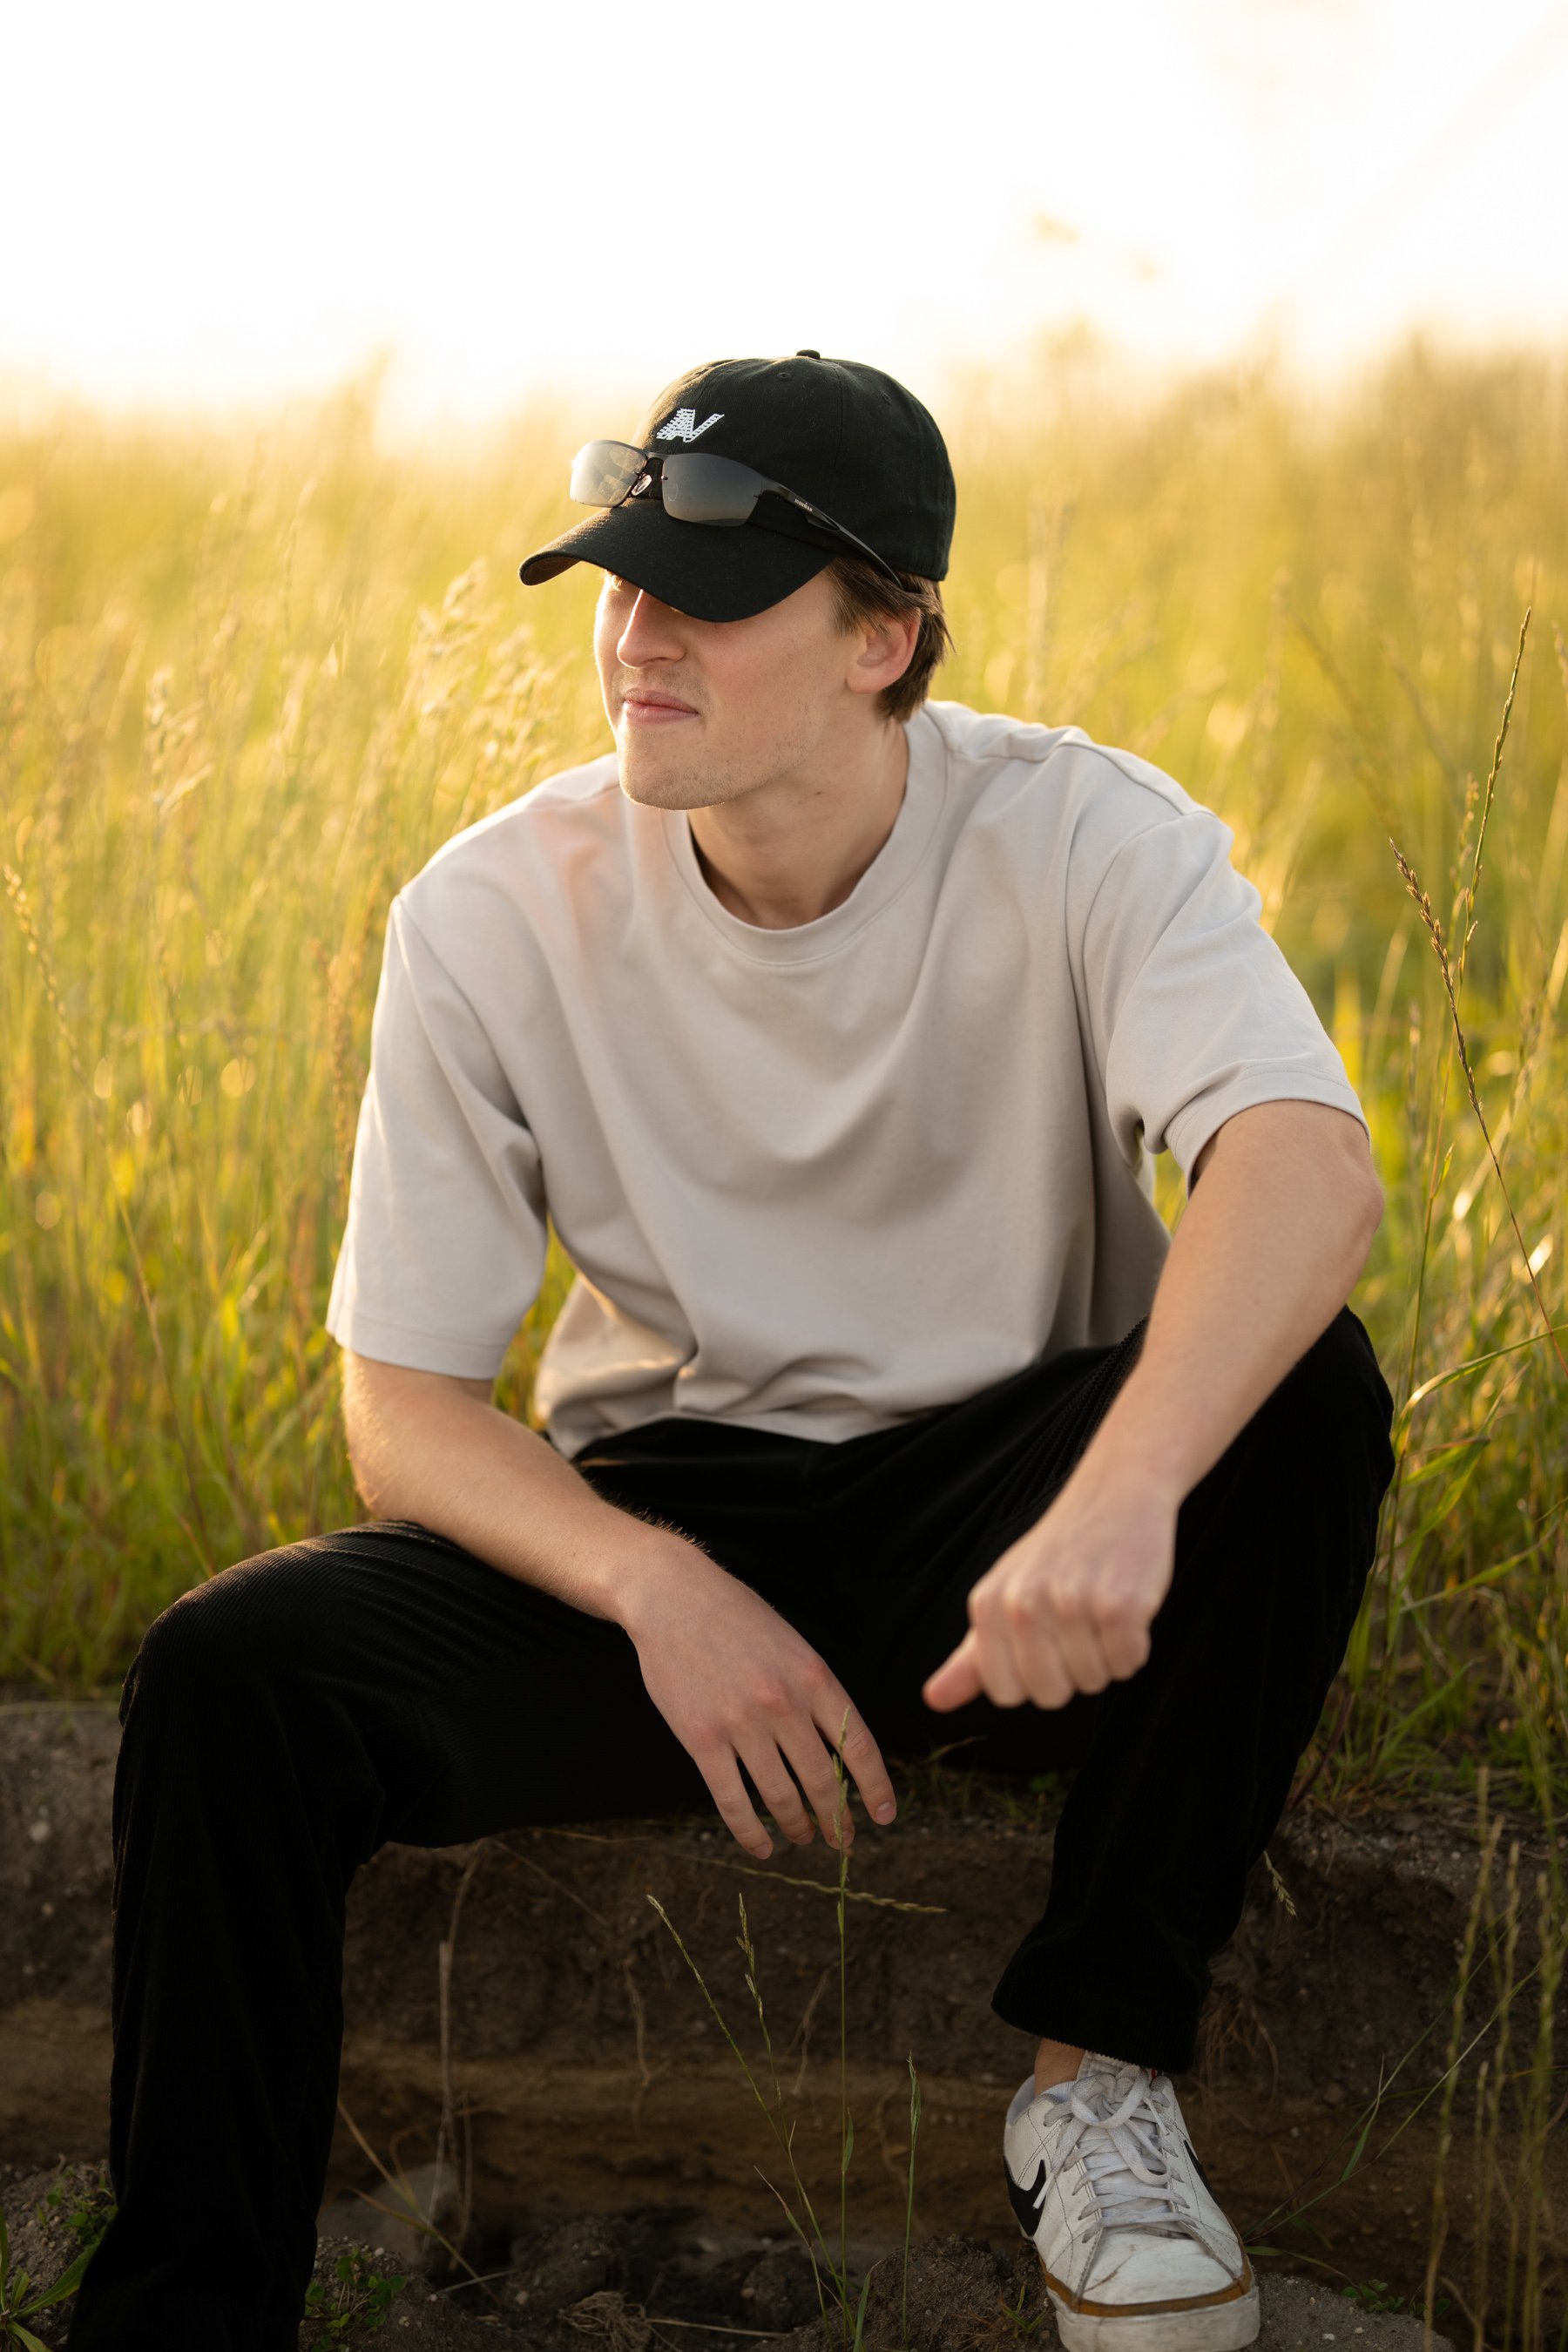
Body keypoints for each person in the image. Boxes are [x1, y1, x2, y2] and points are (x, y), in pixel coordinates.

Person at [68, 351, 1396, 2352]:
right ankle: (182, 2316)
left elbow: (1304, 1165)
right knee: (229, 1674)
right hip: (672, 1527)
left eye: (707, 596)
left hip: (1015, 1549)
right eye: (620, 582)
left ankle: (1096, 2085)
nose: (637, 635)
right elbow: (402, 1413)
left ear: (885, 638)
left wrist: (1122, 1496)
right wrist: (657, 1590)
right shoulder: (492, 912)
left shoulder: (1086, 836)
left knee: (1305, 1395)